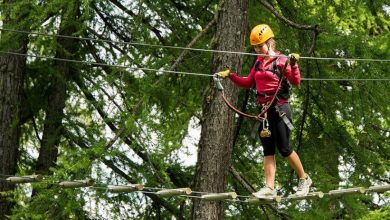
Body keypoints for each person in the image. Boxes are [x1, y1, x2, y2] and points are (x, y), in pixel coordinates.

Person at [217, 24, 312, 198]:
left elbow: (296, 81)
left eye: (261, 46)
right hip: (264, 112)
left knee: (284, 149)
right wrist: (230, 75)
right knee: (268, 150)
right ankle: (269, 187)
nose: (258, 50)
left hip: (280, 109)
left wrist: (294, 64)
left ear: (270, 42)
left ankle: (304, 178)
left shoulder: (282, 60)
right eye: (255, 47)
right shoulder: (258, 63)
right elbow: (247, 83)